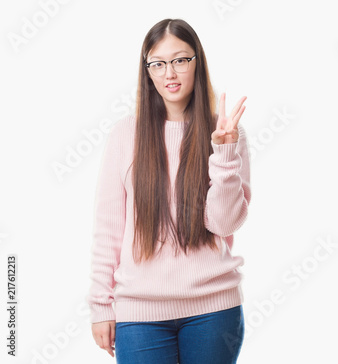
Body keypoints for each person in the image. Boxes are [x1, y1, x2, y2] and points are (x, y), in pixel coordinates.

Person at [86, 18, 251, 364]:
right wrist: (101, 305)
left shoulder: (229, 134)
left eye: (180, 60)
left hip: (214, 309)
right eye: (158, 64)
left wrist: (223, 151)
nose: (170, 73)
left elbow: (224, 224)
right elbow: (108, 228)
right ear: (147, 70)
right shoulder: (125, 134)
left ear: (197, 62)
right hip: (139, 314)